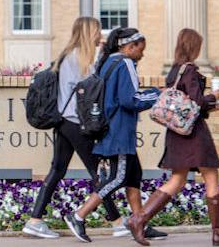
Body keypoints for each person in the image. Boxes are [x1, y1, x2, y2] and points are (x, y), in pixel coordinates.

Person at [126, 28, 219, 247]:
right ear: (193, 47)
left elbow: (187, 103)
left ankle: (139, 218)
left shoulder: (175, 70)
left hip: (177, 133)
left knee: (177, 179)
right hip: (194, 135)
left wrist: (208, 105)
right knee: (210, 176)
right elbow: (197, 102)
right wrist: (214, 97)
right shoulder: (189, 70)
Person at [23, 17, 126, 239]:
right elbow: (85, 94)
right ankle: (118, 222)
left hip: (63, 123)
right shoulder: (79, 58)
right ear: (90, 32)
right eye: (98, 31)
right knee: (98, 173)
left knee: (57, 170)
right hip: (75, 124)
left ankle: (35, 220)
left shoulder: (68, 56)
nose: (101, 35)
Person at [64, 27, 160, 244]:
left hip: (109, 128)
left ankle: (140, 222)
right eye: (140, 49)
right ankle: (78, 216)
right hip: (120, 132)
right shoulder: (125, 63)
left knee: (134, 175)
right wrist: (157, 95)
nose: (142, 54)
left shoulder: (108, 62)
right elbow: (130, 100)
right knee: (117, 178)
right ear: (129, 47)